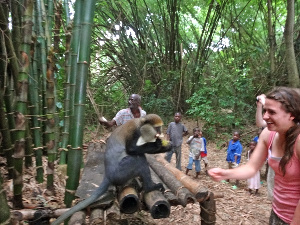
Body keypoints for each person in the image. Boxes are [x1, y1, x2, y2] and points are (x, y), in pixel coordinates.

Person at [209, 87, 300, 225]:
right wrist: (225, 173)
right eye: (265, 110)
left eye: (272, 112)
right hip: (277, 213)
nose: (265, 116)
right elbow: (251, 167)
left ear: (291, 114)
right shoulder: (268, 134)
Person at [256, 93, 275, 200]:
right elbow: (260, 123)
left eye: (272, 112)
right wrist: (260, 106)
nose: (266, 116)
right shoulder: (269, 132)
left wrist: (265, 101)